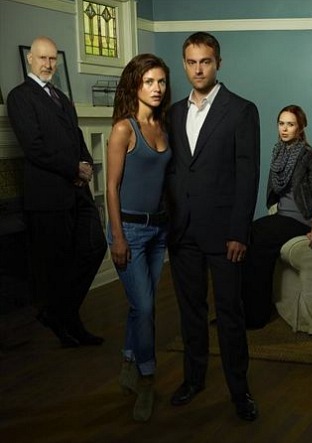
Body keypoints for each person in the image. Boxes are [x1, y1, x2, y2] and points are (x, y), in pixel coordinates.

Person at [166, 32, 260, 421]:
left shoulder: (241, 110)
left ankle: (240, 391)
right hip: (182, 231)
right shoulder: (173, 113)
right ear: (184, 64)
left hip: (224, 233)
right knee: (190, 311)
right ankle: (193, 379)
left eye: (205, 61)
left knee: (229, 313)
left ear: (218, 63)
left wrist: (239, 232)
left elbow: (248, 175)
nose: (198, 69)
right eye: (191, 62)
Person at [6, 36, 107, 348]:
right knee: (58, 265)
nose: (48, 64)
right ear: (30, 60)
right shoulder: (20, 97)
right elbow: (34, 147)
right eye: (42, 58)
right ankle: (68, 321)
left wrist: (86, 164)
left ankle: (58, 312)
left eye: (52, 59)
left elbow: (76, 136)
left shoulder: (61, 97)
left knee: (95, 246)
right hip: (48, 196)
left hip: (77, 191)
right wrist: (73, 169)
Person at [106, 54, 172, 421]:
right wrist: (118, 237)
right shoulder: (124, 129)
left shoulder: (163, 126)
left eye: (161, 81)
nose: (156, 88)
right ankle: (147, 379)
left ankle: (129, 362)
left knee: (140, 306)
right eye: (149, 81)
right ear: (135, 85)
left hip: (159, 230)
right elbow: (111, 188)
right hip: (129, 230)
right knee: (145, 307)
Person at [242, 105, 312, 329]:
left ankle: (257, 316)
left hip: (300, 220)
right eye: (281, 124)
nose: (285, 129)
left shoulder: (309, 155)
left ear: (300, 128)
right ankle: (244, 309)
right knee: (246, 234)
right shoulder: (278, 152)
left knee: (259, 239)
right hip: (281, 216)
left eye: (291, 124)